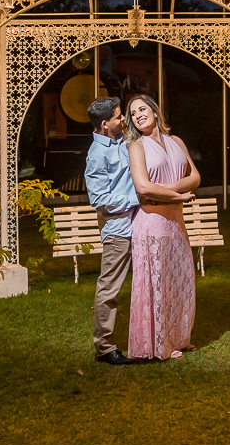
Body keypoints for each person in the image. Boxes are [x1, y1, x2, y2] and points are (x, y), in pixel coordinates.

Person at [125, 95, 200, 360]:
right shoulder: (137, 146)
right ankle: (158, 344)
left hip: (176, 223)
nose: (138, 115)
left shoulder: (176, 141)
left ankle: (179, 338)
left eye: (142, 109)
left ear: (155, 111)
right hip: (152, 223)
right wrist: (178, 195)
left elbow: (195, 176)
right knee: (157, 285)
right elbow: (142, 187)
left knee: (180, 281)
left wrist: (169, 191)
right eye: (133, 113)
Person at [84, 97, 140, 365]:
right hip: (118, 229)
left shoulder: (122, 141)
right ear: (105, 124)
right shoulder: (97, 154)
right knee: (109, 289)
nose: (123, 120)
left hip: (139, 223)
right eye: (118, 117)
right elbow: (99, 199)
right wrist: (137, 200)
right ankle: (104, 348)